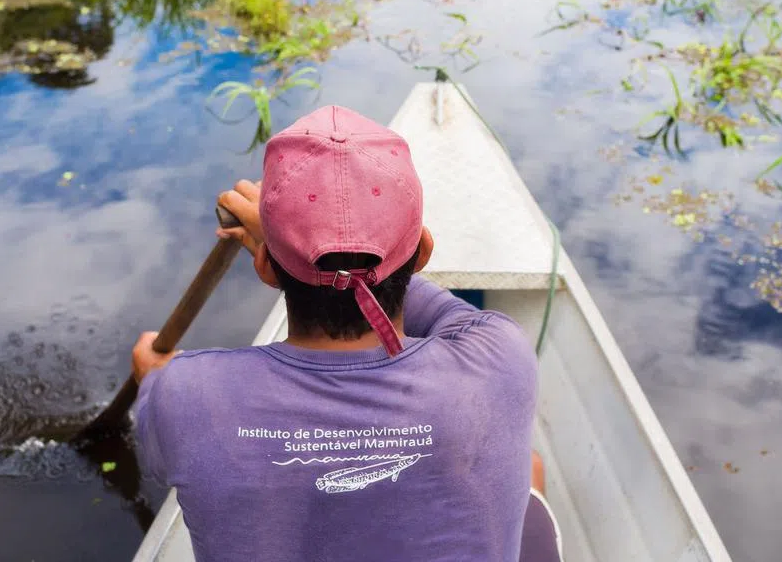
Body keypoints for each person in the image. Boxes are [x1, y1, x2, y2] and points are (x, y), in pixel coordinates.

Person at [131, 105, 562, 561]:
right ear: (423, 253)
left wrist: (151, 377)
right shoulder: (500, 356)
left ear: (264, 268)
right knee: (530, 468)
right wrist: (293, 244)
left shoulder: (180, 393)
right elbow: (396, 291)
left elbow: (161, 446)